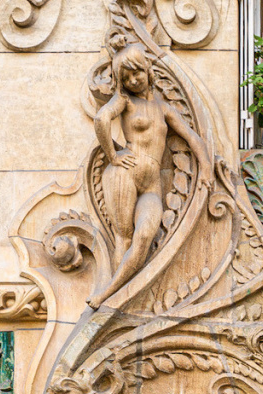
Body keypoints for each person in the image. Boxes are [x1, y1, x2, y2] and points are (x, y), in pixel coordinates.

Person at [88, 43, 211, 309]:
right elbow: (101, 119)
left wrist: (207, 171)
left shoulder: (164, 108)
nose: (133, 80)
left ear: (147, 70)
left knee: (145, 235)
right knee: (124, 238)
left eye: (137, 73)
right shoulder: (125, 101)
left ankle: (113, 292)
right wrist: (113, 156)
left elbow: (192, 137)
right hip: (124, 174)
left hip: (152, 185)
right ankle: (109, 298)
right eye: (126, 77)